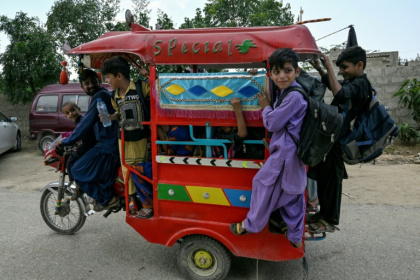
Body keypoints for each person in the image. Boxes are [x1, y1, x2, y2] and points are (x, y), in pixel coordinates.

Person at [230, 48, 308, 248]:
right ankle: (294, 235)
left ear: (297, 72)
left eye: (287, 71)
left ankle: (251, 224)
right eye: (277, 72)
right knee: (292, 193)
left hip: (285, 152)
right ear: (270, 74)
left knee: (263, 184)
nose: (282, 76)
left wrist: (266, 106)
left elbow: (272, 123)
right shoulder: (288, 91)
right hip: (291, 152)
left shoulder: (293, 97)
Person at [308, 46, 371, 232]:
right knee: (323, 176)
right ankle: (323, 213)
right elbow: (335, 85)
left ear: (359, 65)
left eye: (344, 67)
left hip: (340, 137)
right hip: (333, 135)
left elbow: (340, 93)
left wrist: (327, 65)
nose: (341, 72)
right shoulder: (353, 81)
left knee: (333, 180)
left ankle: (329, 220)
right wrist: (320, 69)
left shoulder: (361, 83)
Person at [59, 69, 120, 212]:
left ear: (99, 81)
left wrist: (66, 141)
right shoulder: (102, 95)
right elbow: (97, 120)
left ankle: (107, 199)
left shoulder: (100, 96)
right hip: (108, 143)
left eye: (93, 82)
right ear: (82, 86)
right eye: (87, 83)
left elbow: (86, 123)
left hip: (107, 146)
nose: (91, 85)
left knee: (77, 170)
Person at [100, 56, 153, 219]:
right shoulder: (114, 95)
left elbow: (159, 91)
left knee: (140, 168)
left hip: (141, 137)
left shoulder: (140, 87)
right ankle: (132, 198)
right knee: (127, 169)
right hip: (123, 138)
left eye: (108, 77)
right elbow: (118, 113)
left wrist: (150, 76)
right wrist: (111, 117)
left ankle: (148, 203)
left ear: (119, 76)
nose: (107, 81)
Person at [61, 101, 97, 200]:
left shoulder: (82, 120)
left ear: (79, 109)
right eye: (67, 113)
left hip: (91, 145)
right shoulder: (80, 121)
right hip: (89, 143)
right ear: (66, 116)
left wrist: (64, 142)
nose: (71, 114)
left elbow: (78, 135)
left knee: (71, 160)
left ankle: (78, 188)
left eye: (72, 110)